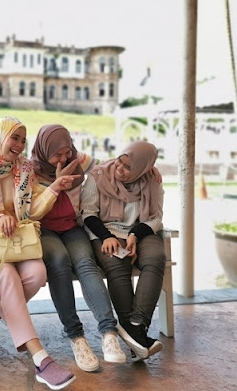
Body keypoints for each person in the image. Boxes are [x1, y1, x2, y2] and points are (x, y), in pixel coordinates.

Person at [0, 116, 79, 390]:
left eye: (23, 139)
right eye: (14, 138)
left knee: (37, 275)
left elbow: (32, 210)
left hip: (18, 238)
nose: (20, 145)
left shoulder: (25, 169)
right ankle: (41, 359)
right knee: (7, 276)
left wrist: (54, 188)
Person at [30, 125, 125, 372]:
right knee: (60, 262)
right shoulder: (30, 170)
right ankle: (76, 336)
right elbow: (31, 211)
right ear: (44, 150)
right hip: (43, 228)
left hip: (72, 226)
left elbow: (110, 164)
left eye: (67, 151)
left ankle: (109, 332)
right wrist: (56, 186)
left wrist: (148, 168)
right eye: (57, 155)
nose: (64, 158)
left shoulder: (77, 159)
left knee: (85, 263)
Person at [80, 141, 166, 361]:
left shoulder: (152, 181)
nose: (120, 169)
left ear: (142, 169)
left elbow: (156, 217)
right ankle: (137, 338)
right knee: (118, 265)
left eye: (129, 167)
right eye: (120, 161)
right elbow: (88, 213)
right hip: (105, 232)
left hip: (140, 232)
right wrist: (106, 237)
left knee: (156, 259)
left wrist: (135, 235)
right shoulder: (98, 176)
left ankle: (135, 326)